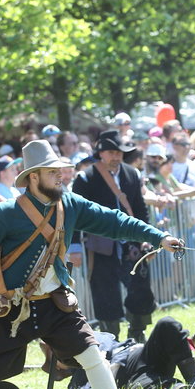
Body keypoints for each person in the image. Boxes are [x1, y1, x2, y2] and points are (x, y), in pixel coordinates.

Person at [0, 139, 182, 389]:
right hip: (11, 306)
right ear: (33, 177)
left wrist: (157, 237)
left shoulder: (70, 204)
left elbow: (115, 221)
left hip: (56, 302)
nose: (61, 176)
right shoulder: (6, 213)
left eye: (60, 171)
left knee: (92, 355)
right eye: (52, 172)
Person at [72, 130, 158, 342]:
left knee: (140, 289)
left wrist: (149, 237)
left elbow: (140, 209)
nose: (116, 156)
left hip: (133, 244)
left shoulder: (132, 174)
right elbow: (74, 214)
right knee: (105, 294)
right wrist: (73, 246)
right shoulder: (85, 178)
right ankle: (111, 341)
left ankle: (137, 336)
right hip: (101, 246)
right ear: (101, 153)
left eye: (119, 152)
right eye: (111, 152)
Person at [42, 316, 195, 389]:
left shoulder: (85, 343)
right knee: (146, 384)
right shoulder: (77, 380)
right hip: (130, 376)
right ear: (58, 366)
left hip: (138, 354)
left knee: (167, 324)